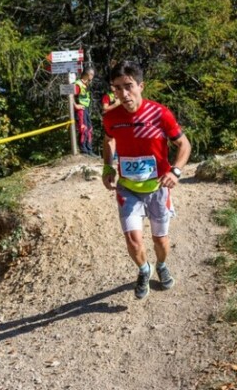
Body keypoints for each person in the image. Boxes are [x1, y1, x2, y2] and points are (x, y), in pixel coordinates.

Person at [102, 60, 191, 300]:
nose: (123, 94)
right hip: (127, 188)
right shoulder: (111, 117)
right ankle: (144, 269)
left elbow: (184, 144)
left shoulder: (160, 114)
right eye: (117, 88)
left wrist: (175, 172)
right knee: (133, 240)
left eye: (128, 86)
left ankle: (160, 265)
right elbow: (109, 140)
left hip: (157, 187)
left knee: (160, 240)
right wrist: (107, 167)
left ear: (141, 86)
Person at [74, 68, 98, 157]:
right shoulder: (78, 84)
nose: (92, 77)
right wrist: (75, 105)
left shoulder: (86, 84)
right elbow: (70, 95)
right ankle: (83, 150)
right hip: (80, 109)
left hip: (86, 108)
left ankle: (89, 149)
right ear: (88, 75)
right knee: (83, 128)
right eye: (92, 75)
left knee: (89, 128)